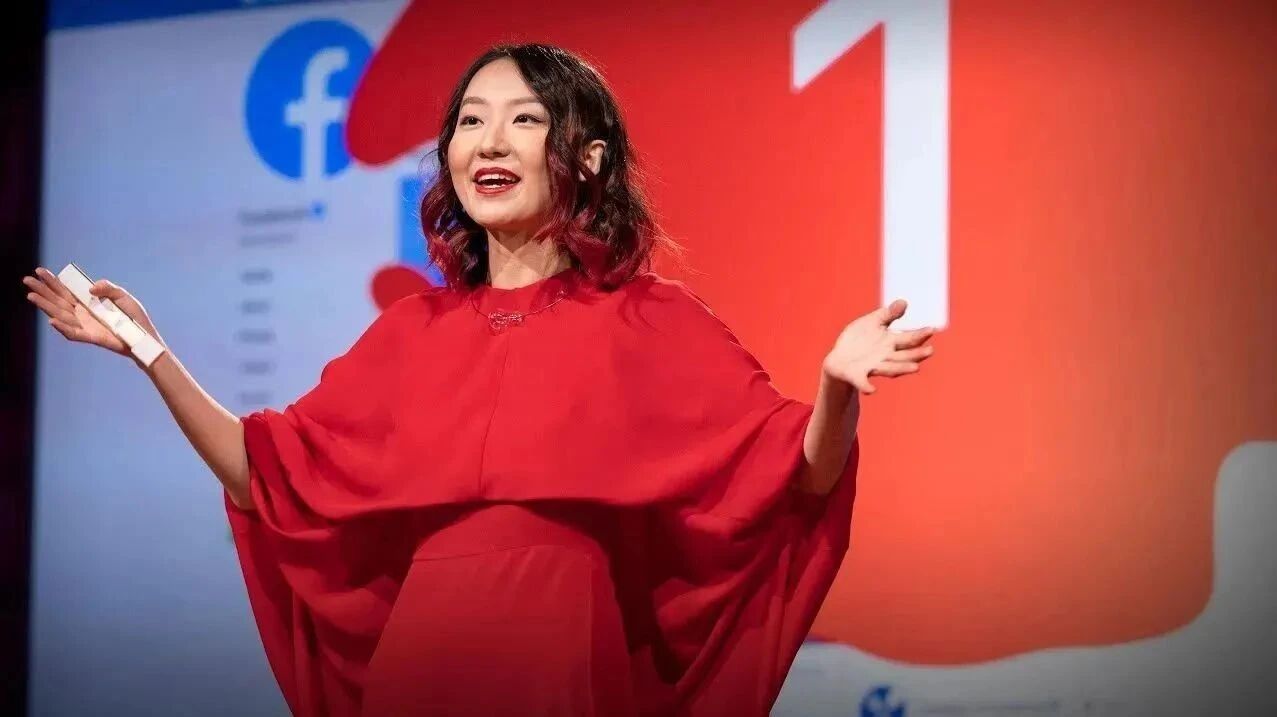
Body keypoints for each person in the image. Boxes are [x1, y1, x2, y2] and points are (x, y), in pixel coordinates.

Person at [23, 44, 936, 717]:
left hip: (566, 660)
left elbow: (797, 476)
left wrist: (834, 387)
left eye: (524, 119)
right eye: (469, 120)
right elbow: (268, 475)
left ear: (588, 157)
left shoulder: (653, 320)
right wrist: (151, 354)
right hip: (422, 664)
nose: (488, 141)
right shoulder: (409, 332)